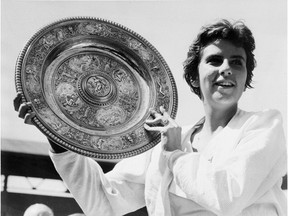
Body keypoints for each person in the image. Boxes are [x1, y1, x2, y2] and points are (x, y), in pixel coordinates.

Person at [15, 19, 287, 216]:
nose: (226, 69)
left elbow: (227, 196)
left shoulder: (263, 125)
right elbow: (103, 203)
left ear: (245, 77)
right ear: (194, 76)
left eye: (236, 62)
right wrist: (57, 133)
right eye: (215, 60)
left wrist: (175, 153)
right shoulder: (167, 140)